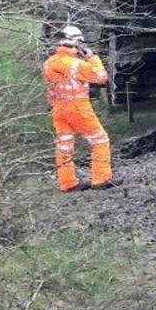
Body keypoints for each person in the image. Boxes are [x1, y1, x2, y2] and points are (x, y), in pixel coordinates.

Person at [43, 25, 115, 192]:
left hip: (58, 109)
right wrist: (92, 58)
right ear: (77, 43)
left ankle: (67, 183)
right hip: (78, 107)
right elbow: (101, 78)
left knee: (64, 146)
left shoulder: (49, 63)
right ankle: (101, 179)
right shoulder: (76, 64)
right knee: (100, 140)